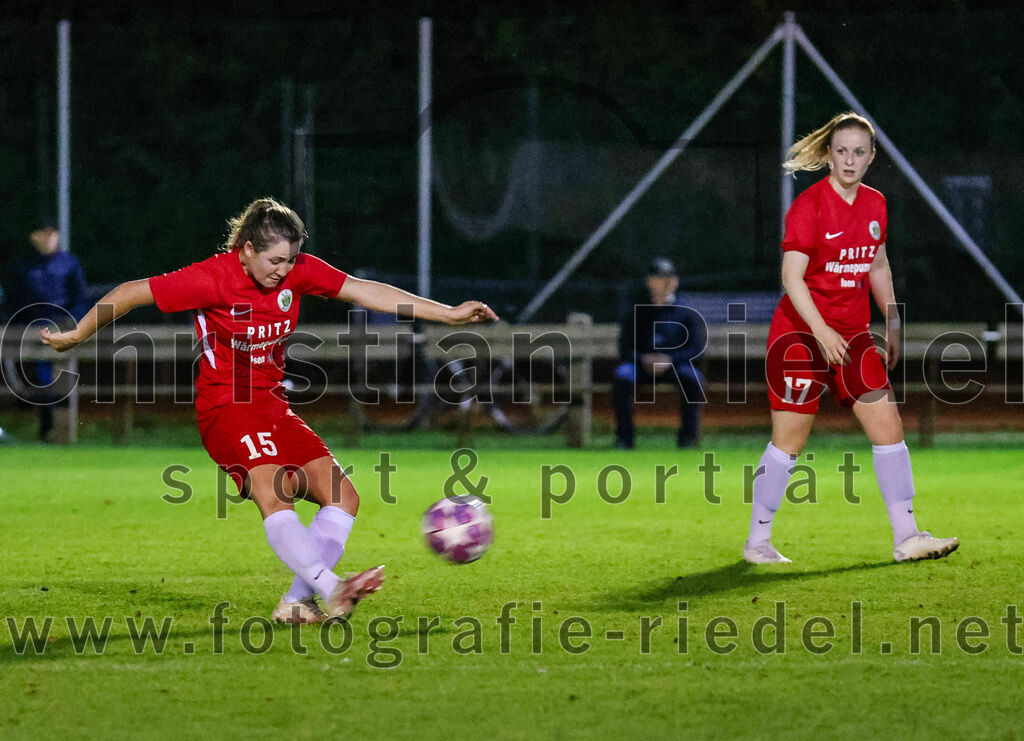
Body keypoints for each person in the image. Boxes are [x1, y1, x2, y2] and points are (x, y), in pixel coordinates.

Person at [41, 197, 499, 622]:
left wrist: (448, 314)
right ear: (246, 250)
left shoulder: (295, 271)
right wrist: (78, 333)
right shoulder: (211, 278)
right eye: (275, 260)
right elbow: (130, 292)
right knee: (273, 491)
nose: (284, 271)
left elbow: (364, 291)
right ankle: (332, 588)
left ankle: (297, 602)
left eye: (291, 260)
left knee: (343, 497)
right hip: (226, 408)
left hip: (273, 406)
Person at [743, 112, 958, 564]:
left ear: (871, 157)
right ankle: (757, 542)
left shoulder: (875, 204)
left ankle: (908, 537)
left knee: (889, 429)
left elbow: (876, 264)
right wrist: (820, 331)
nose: (849, 160)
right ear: (828, 154)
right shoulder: (810, 206)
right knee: (789, 441)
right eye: (841, 150)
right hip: (799, 335)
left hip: (853, 335)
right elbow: (791, 277)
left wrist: (892, 321)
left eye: (859, 152)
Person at [4, 222, 89, 442]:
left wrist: (73, 325)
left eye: (52, 234)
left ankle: (60, 432)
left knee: (62, 380)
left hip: (62, 327)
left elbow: (80, 298)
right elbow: (14, 300)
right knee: (42, 380)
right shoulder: (23, 266)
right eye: (43, 234)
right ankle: (48, 428)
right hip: (31, 330)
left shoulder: (69, 263)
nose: (48, 238)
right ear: (33, 237)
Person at [612, 257, 705, 449]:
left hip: (675, 366)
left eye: (666, 279)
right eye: (657, 278)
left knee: (694, 378)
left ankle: (688, 439)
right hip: (641, 366)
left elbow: (695, 348)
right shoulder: (636, 311)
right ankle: (624, 439)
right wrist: (644, 359)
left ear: (675, 282)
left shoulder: (686, 312)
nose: (662, 283)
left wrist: (669, 359)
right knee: (622, 376)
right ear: (648, 282)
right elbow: (624, 348)